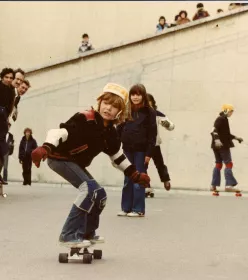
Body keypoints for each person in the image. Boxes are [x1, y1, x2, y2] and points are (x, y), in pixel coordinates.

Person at [31, 83, 150, 248]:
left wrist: (134, 175)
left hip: (74, 162)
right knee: (89, 189)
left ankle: (87, 232)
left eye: (114, 106)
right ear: (99, 102)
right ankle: (68, 235)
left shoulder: (110, 133)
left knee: (100, 195)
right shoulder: (85, 118)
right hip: (58, 157)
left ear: (120, 112)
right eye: (106, 103)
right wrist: (45, 148)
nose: (108, 108)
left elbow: (117, 156)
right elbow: (59, 132)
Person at [117, 84, 157, 217]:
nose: (135, 97)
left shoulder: (149, 112)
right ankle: (126, 208)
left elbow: (152, 134)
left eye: (138, 94)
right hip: (127, 149)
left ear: (143, 96)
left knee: (139, 179)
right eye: (133, 94)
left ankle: (138, 209)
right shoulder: (126, 109)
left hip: (141, 151)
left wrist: (149, 154)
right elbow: (120, 128)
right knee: (128, 178)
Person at [145, 93, 174, 195]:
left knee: (160, 164)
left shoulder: (157, 114)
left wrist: (167, 124)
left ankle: (165, 179)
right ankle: (146, 186)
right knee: (143, 165)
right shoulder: (138, 114)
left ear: (153, 103)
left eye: (149, 102)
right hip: (143, 145)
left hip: (155, 145)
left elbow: (170, 125)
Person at [210, 104, 243, 192]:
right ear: (226, 110)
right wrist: (217, 140)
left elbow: (226, 134)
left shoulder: (223, 119)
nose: (231, 113)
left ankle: (213, 185)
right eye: (231, 111)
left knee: (218, 164)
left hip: (217, 145)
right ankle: (229, 185)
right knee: (228, 164)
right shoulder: (221, 119)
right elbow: (213, 130)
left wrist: (236, 138)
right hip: (222, 145)